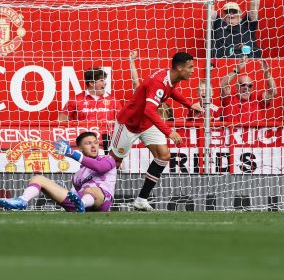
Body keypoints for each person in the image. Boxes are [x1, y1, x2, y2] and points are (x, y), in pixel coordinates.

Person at [109, 52, 204, 210]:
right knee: (114, 162)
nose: (193, 71)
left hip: (147, 123)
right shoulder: (159, 81)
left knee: (163, 155)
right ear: (179, 68)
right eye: (190, 67)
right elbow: (149, 110)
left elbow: (171, 92)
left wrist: (189, 104)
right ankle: (96, 191)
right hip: (129, 123)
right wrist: (169, 132)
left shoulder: (171, 78)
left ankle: (141, 200)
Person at [0, 132, 117, 212]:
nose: (93, 146)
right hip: (79, 204)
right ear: (80, 148)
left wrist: (72, 154)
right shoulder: (77, 176)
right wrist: (61, 190)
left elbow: (100, 167)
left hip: (101, 203)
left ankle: (82, 204)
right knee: (37, 178)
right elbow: (75, 194)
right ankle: (22, 200)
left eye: (95, 142)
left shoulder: (108, 159)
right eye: (88, 143)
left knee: (90, 190)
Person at [59, 67, 121, 151]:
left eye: (104, 80)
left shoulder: (113, 100)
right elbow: (60, 122)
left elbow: (121, 121)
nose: (105, 83)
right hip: (83, 144)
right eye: (101, 80)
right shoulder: (76, 100)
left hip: (108, 144)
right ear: (91, 83)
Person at [220, 58, 276, 125]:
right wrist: (237, 70)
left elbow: (273, 91)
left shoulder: (257, 99)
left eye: (250, 86)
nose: (246, 88)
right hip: (232, 131)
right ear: (237, 86)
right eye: (243, 85)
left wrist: (267, 73)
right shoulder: (229, 98)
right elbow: (223, 84)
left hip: (254, 131)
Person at [129, 50, 173, 122]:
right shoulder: (145, 101)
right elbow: (136, 83)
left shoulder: (163, 108)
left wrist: (131, 61)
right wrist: (131, 61)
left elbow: (136, 83)